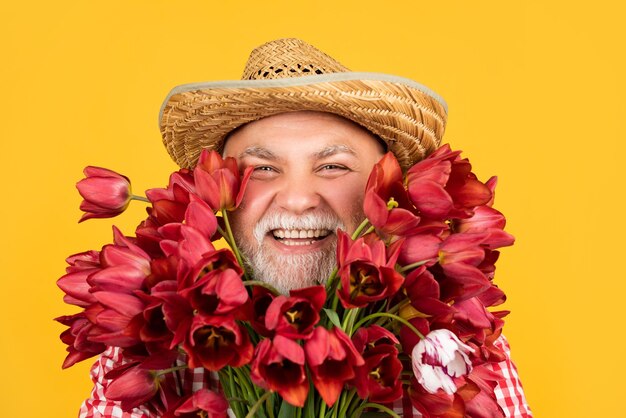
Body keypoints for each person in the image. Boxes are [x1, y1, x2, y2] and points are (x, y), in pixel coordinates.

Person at [79, 38, 532, 417]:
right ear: (216, 193)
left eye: (333, 166)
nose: (297, 199)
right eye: (261, 169)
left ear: (388, 186)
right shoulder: (149, 338)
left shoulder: (450, 346)